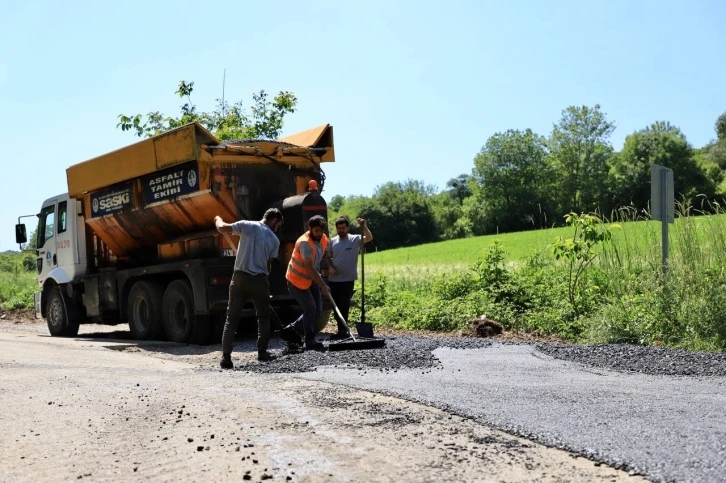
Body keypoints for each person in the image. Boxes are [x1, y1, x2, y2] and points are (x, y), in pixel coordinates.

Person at [214, 208, 283, 369]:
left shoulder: (247, 225)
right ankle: (262, 353)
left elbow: (222, 228)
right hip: (259, 280)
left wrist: (217, 217)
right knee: (263, 317)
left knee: (231, 319)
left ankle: (226, 357)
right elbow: (268, 265)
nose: (278, 227)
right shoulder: (274, 240)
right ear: (274, 220)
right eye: (278, 224)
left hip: (239, 278)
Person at [281, 215, 332, 351]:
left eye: (321, 231)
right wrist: (322, 284)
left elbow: (320, 257)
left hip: (310, 280)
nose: (319, 234)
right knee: (310, 308)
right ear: (309, 228)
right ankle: (310, 339)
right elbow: (309, 267)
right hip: (296, 280)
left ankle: (291, 329)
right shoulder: (304, 243)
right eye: (316, 231)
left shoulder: (323, 239)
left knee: (318, 310)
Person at [326, 216, 373, 338]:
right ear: (336, 228)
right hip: (334, 280)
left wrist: (364, 226)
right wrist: (330, 267)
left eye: (343, 228)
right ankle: (341, 328)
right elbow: (327, 256)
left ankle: (343, 330)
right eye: (339, 228)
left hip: (348, 279)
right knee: (335, 306)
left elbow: (369, 238)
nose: (341, 230)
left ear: (347, 227)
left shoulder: (355, 239)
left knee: (344, 304)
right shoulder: (333, 241)